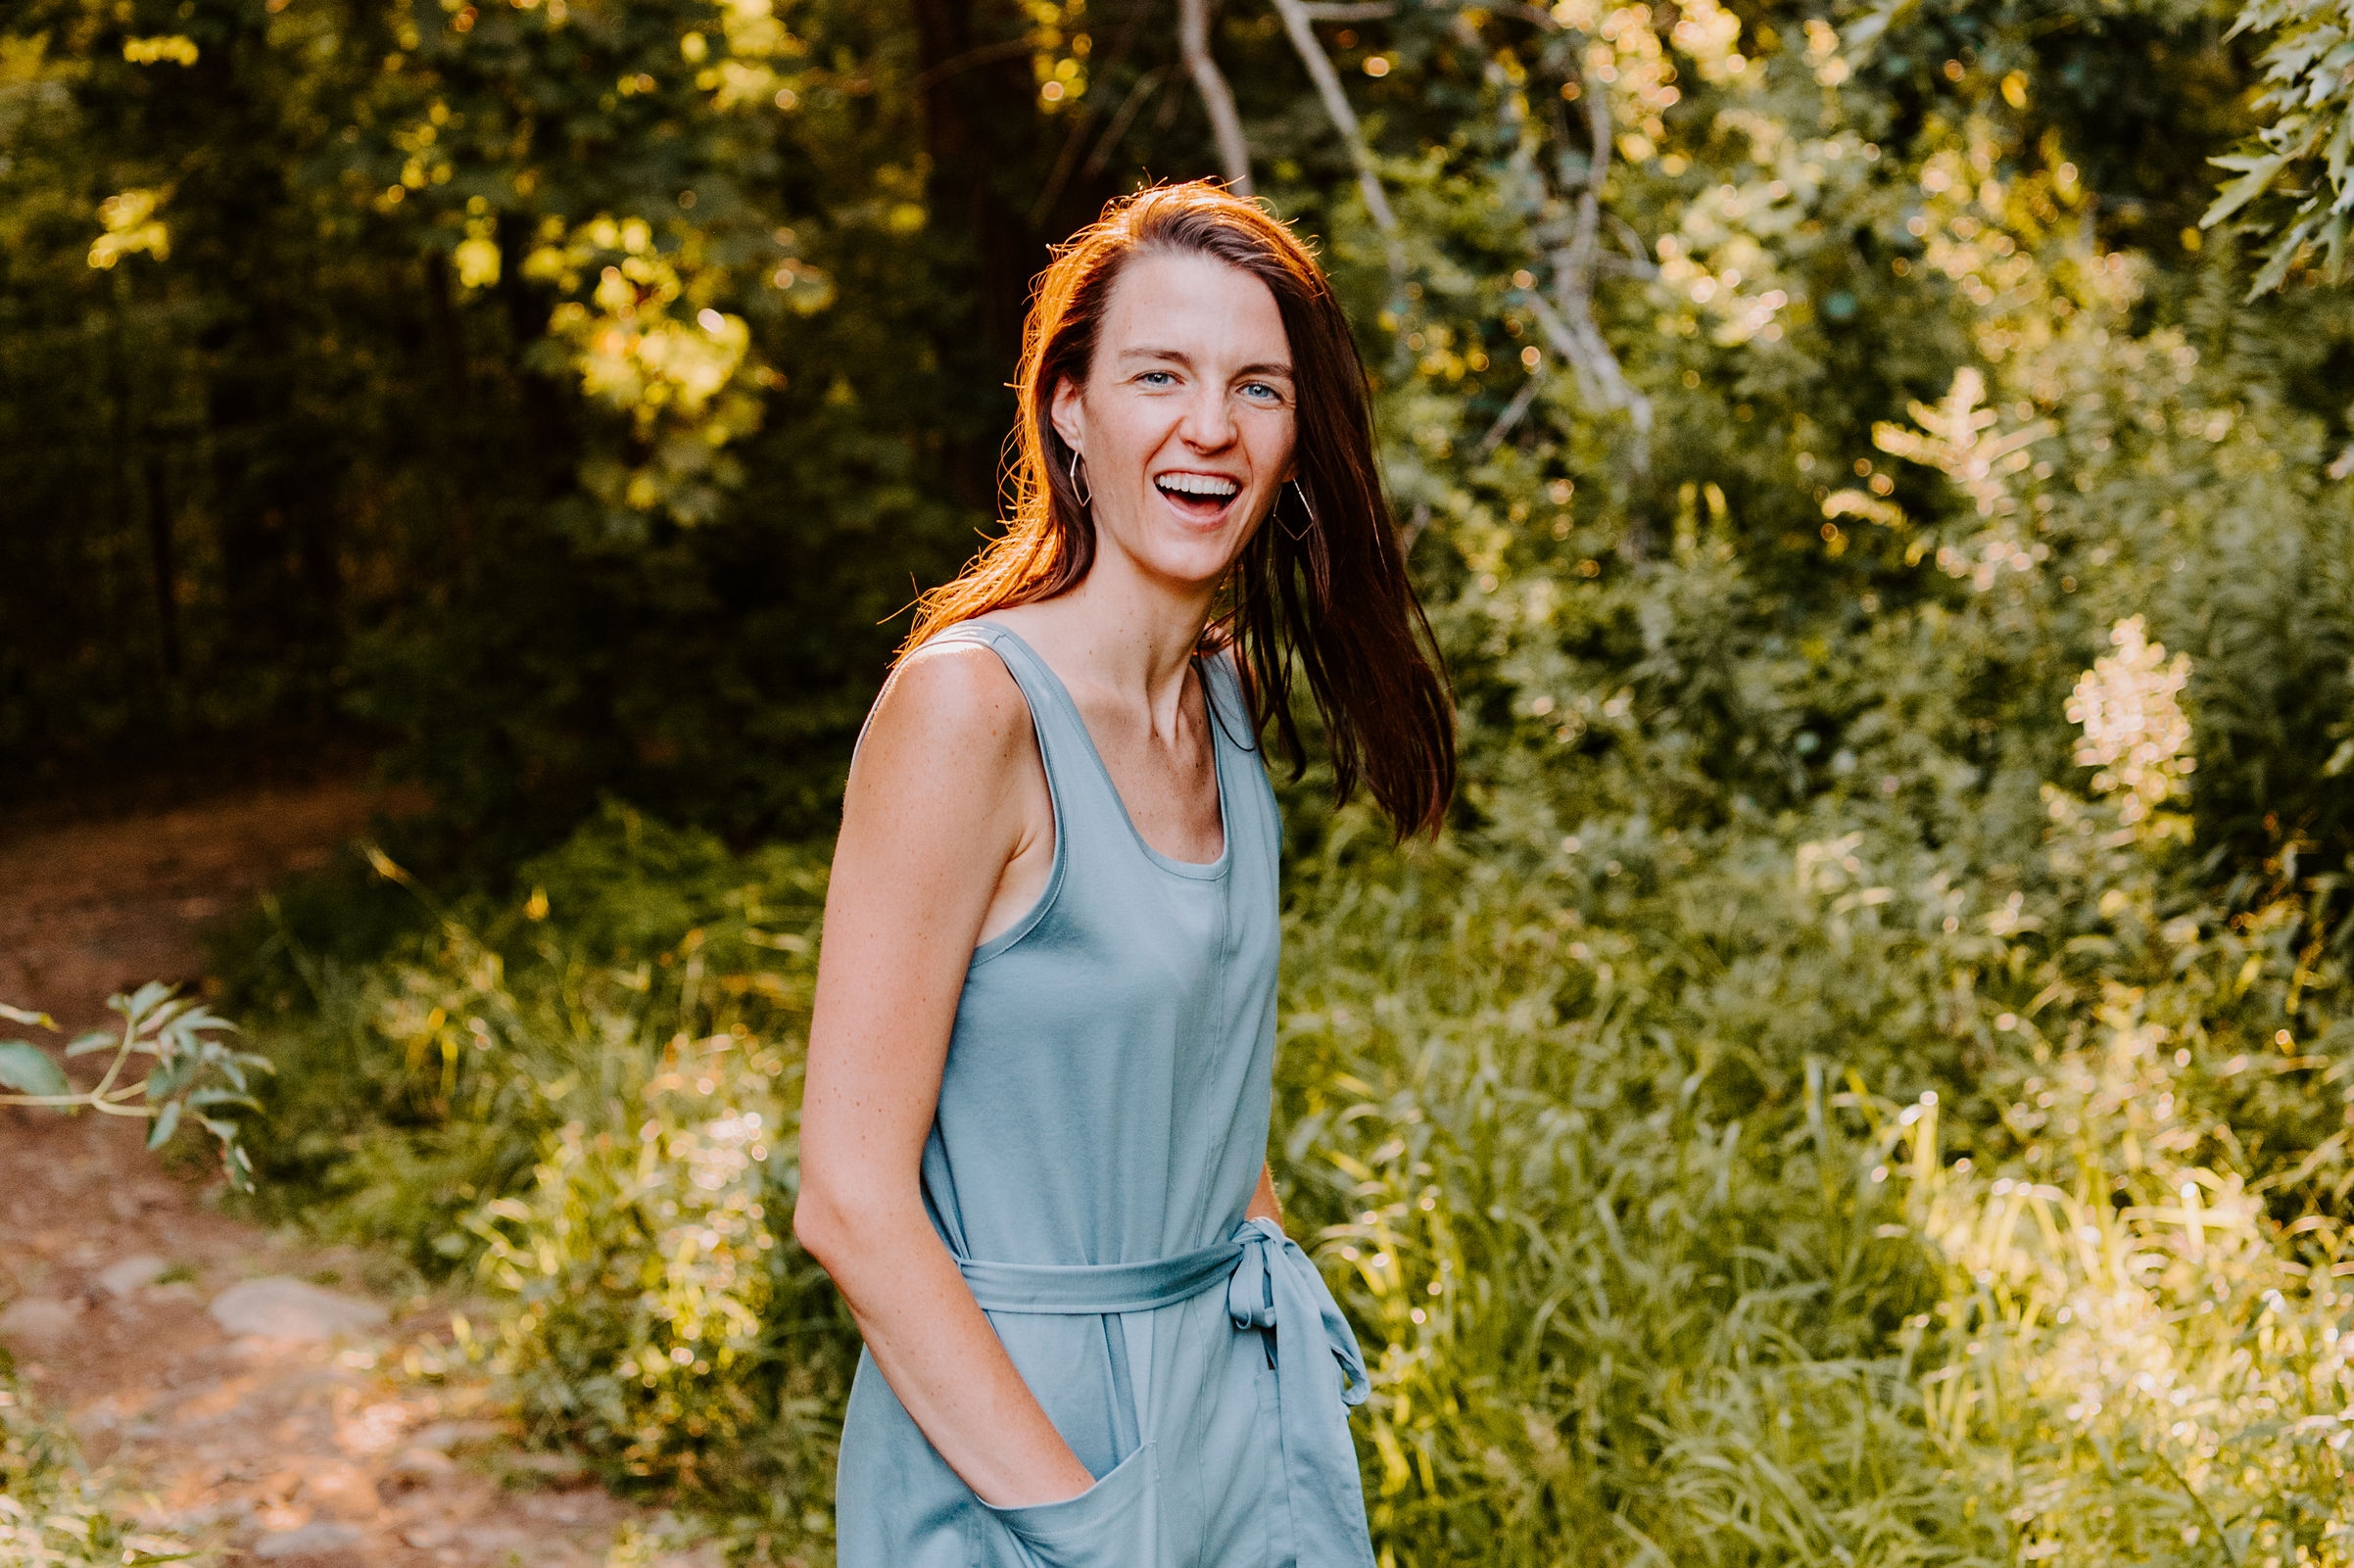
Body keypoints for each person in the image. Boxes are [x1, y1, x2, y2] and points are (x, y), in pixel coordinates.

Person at [793, 180, 1456, 1567]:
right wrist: (1085, 1524)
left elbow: (1199, 1085)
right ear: (1072, 409)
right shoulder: (969, 712)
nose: (1207, 424)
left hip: (1224, 1416)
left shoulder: (1222, 696)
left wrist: (1262, 1375)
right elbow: (850, 1197)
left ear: (1295, 443)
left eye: (1255, 387)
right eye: (1160, 373)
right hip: (1017, 1459)